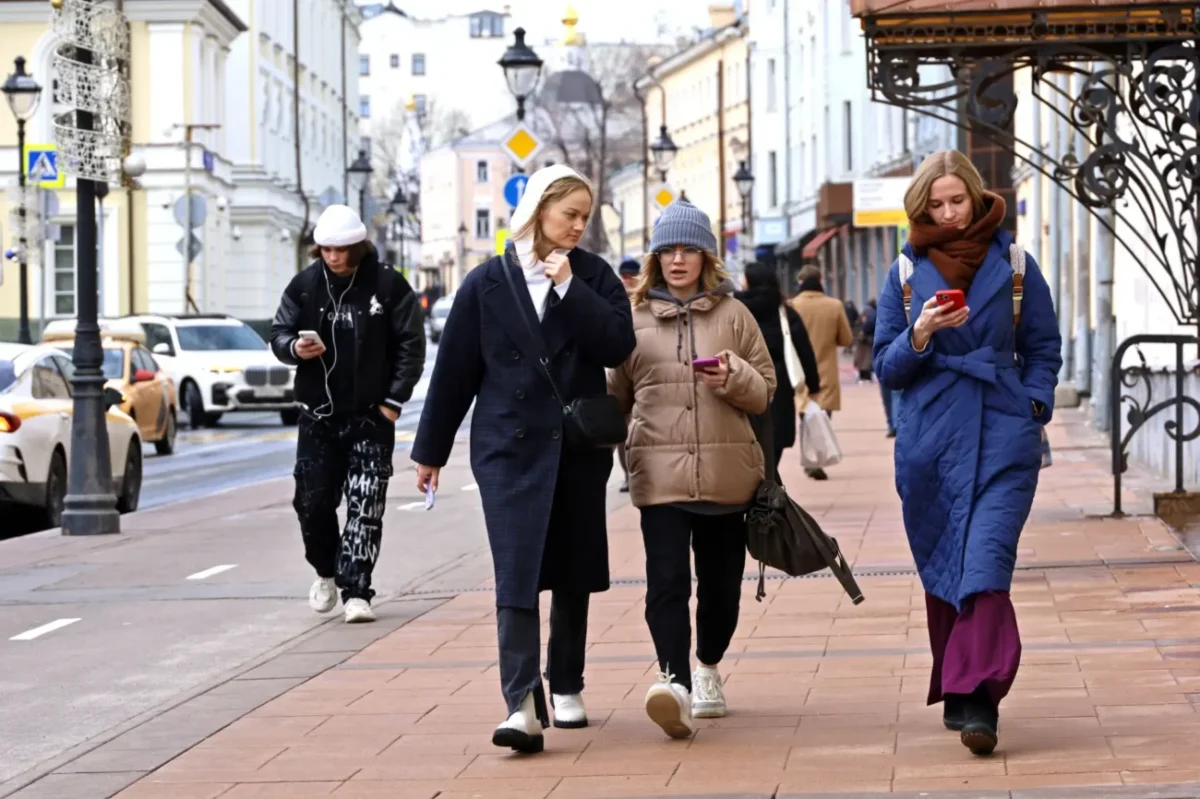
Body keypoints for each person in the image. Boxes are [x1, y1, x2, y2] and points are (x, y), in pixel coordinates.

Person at [411, 165, 636, 754]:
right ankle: (521, 701)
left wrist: (570, 289)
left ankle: (566, 683)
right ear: (539, 211)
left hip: (577, 450)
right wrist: (431, 451)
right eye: (570, 215)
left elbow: (617, 345)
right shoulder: (487, 283)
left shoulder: (593, 276)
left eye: (586, 217)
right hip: (507, 449)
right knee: (516, 572)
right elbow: (455, 371)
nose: (579, 227)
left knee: (572, 569)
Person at [872, 150, 1061, 756]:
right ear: (922, 206)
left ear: (977, 198)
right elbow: (886, 366)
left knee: (986, 562)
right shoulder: (905, 270)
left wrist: (1034, 405)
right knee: (944, 561)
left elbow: (1043, 347)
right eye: (938, 204)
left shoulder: (1015, 264)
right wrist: (921, 332)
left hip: (1004, 432)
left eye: (959, 201)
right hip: (930, 440)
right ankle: (958, 685)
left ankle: (980, 697)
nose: (950, 214)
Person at [608, 200, 776, 740]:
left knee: (722, 587)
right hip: (658, 475)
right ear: (656, 258)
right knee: (667, 582)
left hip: (727, 477)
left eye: (689, 250)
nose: (678, 260)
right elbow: (616, 397)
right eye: (668, 251)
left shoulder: (735, 315)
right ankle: (674, 681)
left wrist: (734, 378)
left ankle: (706, 665)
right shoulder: (630, 321)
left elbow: (766, 391)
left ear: (707, 257)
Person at [270, 204, 426, 624]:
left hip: (371, 417)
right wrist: (293, 348)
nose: (334, 258)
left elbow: (412, 344)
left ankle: (357, 591)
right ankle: (326, 570)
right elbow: (279, 331)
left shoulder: (389, 285)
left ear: (358, 246)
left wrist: (393, 400)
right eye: (326, 250)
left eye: (341, 250)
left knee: (366, 503)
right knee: (313, 502)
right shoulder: (304, 286)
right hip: (317, 416)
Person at [735, 262, 820, 470]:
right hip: (778, 385)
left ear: (750, 281)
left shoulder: (735, 309)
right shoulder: (784, 311)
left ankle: (759, 491)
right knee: (774, 444)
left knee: (746, 443)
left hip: (742, 384)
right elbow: (804, 350)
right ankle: (769, 485)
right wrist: (814, 385)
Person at [788, 264, 853, 480]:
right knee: (823, 418)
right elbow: (846, 339)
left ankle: (810, 460)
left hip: (799, 372)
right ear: (820, 280)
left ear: (800, 281)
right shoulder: (834, 305)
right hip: (826, 370)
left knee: (805, 417)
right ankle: (818, 460)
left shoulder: (791, 306)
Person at [615, 258, 641, 492]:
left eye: (632, 275)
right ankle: (628, 475)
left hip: (643, 367)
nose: (628, 280)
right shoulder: (613, 297)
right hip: (620, 369)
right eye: (624, 276)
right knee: (622, 428)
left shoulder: (647, 299)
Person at [858, 299, 894, 436]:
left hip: (884, 355)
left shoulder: (876, 313)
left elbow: (865, 328)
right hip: (901, 354)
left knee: (888, 394)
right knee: (897, 393)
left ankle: (892, 423)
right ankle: (895, 423)